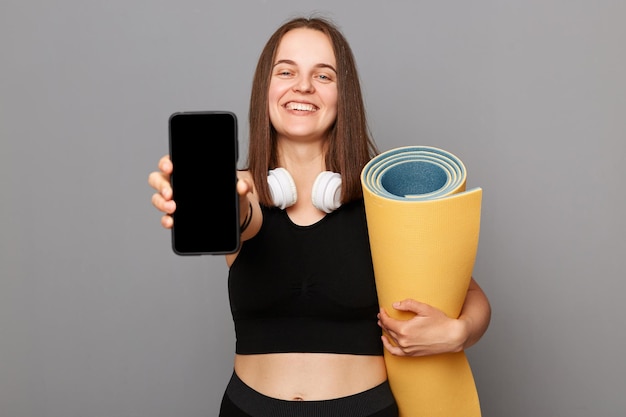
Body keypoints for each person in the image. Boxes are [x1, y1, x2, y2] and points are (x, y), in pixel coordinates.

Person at [149, 16, 491, 417]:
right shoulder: (243, 190)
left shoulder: (383, 199)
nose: (303, 86)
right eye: (286, 71)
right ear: (267, 88)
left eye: (323, 75)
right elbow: (243, 215)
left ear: (343, 95)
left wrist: (458, 332)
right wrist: (214, 202)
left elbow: (470, 296)